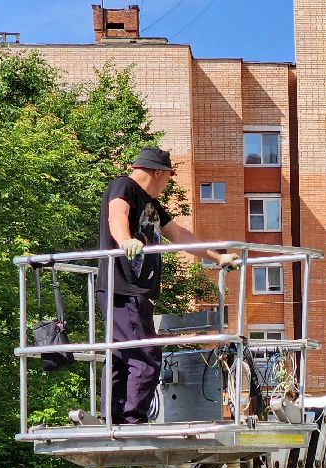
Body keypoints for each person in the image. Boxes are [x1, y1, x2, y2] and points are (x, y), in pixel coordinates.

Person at [97, 146, 238, 424]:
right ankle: (130, 420)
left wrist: (217, 258)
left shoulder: (151, 204)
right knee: (144, 355)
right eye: (169, 178)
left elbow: (179, 234)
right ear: (158, 173)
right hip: (124, 288)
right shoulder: (124, 186)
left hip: (136, 291)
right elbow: (117, 215)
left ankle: (112, 417)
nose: (168, 184)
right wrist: (125, 241)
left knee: (125, 353)